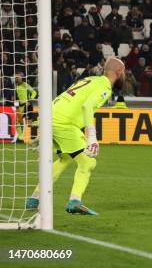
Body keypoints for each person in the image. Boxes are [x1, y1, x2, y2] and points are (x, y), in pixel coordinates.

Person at [26, 57, 125, 215]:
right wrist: (91, 136)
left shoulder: (90, 79)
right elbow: (87, 107)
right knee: (88, 162)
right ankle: (75, 201)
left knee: (65, 158)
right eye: (124, 72)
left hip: (50, 116)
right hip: (64, 124)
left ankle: (34, 198)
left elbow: (66, 98)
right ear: (119, 72)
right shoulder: (105, 85)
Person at [14, 72, 37, 142]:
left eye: (18, 77)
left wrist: (29, 101)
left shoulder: (25, 85)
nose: (17, 78)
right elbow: (15, 97)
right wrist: (16, 106)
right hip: (20, 106)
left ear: (21, 78)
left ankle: (40, 123)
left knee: (29, 124)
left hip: (27, 105)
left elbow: (34, 92)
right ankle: (20, 137)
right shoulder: (14, 87)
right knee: (17, 122)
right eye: (16, 77)